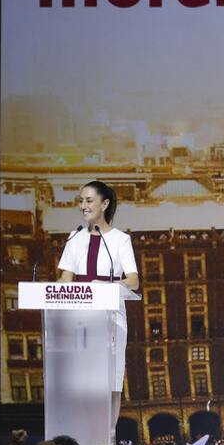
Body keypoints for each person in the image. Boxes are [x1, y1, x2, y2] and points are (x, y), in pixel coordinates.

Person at [56, 180, 140, 428]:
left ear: (104, 204)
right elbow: (66, 277)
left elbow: (134, 281)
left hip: (111, 316)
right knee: (83, 378)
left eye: (89, 200)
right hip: (79, 317)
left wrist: (108, 286)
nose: (83, 206)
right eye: (80, 201)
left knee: (111, 379)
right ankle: (82, 429)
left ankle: (108, 434)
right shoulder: (74, 238)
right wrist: (60, 285)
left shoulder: (119, 240)